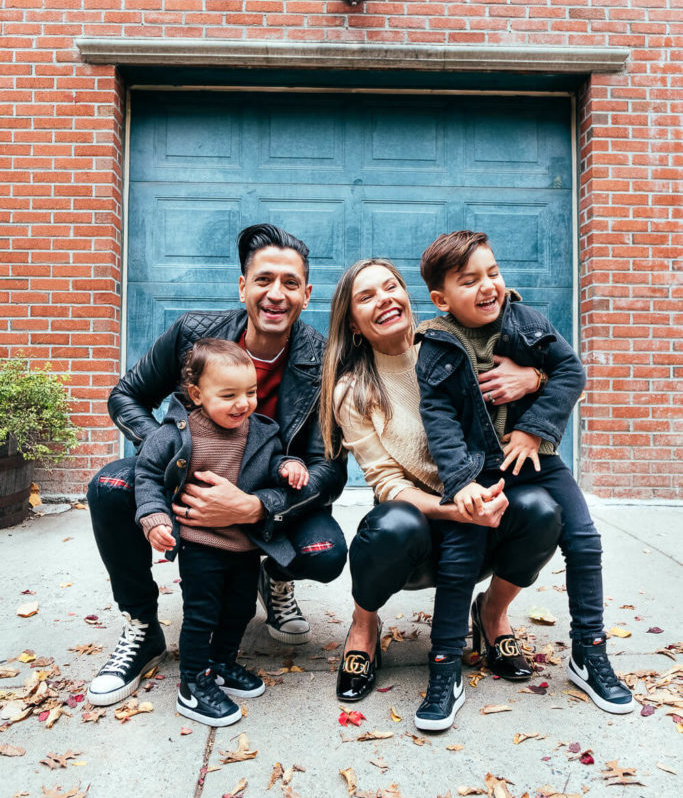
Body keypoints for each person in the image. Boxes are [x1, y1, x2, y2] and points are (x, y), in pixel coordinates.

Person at [86, 224, 347, 707]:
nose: (276, 293)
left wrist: (256, 507)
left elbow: (327, 469)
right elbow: (126, 396)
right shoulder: (194, 334)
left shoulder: (325, 359)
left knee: (325, 552)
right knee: (109, 486)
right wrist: (178, 456)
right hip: (196, 475)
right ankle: (142, 628)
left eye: (290, 283)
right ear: (242, 286)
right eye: (264, 279)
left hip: (266, 488)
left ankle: (276, 579)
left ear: (307, 294)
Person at [319, 258, 563, 732]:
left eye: (391, 287)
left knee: (541, 510)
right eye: (366, 297)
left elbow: (546, 370)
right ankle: (365, 627)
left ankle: (492, 616)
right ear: (352, 322)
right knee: (391, 523)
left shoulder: (453, 344)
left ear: (409, 295)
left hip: (485, 513)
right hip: (421, 531)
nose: (384, 299)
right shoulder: (353, 389)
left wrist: (536, 379)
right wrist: (455, 509)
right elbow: (387, 482)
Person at [416, 230, 634, 716]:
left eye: (492, 273)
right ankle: (445, 666)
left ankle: (589, 653)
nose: (488, 286)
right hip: (479, 469)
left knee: (584, 540)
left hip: (539, 461)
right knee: (459, 558)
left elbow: (571, 371)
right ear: (441, 298)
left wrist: (534, 429)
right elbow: (440, 420)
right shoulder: (435, 346)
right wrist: (461, 484)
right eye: (469, 280)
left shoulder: (526, 320)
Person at [135, 339, 309, 727]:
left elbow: (274, 458)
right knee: (202, 614)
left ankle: (222, 663)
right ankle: (193, 684)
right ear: (197, 394)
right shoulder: (178, 433)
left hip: (245, 544)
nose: (242, 404)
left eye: (250, 393)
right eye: (228, 395)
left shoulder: (259, 430)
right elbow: (146, 474)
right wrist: (155, 519)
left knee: (241, 609)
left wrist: (288, 465)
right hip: (201, 545)